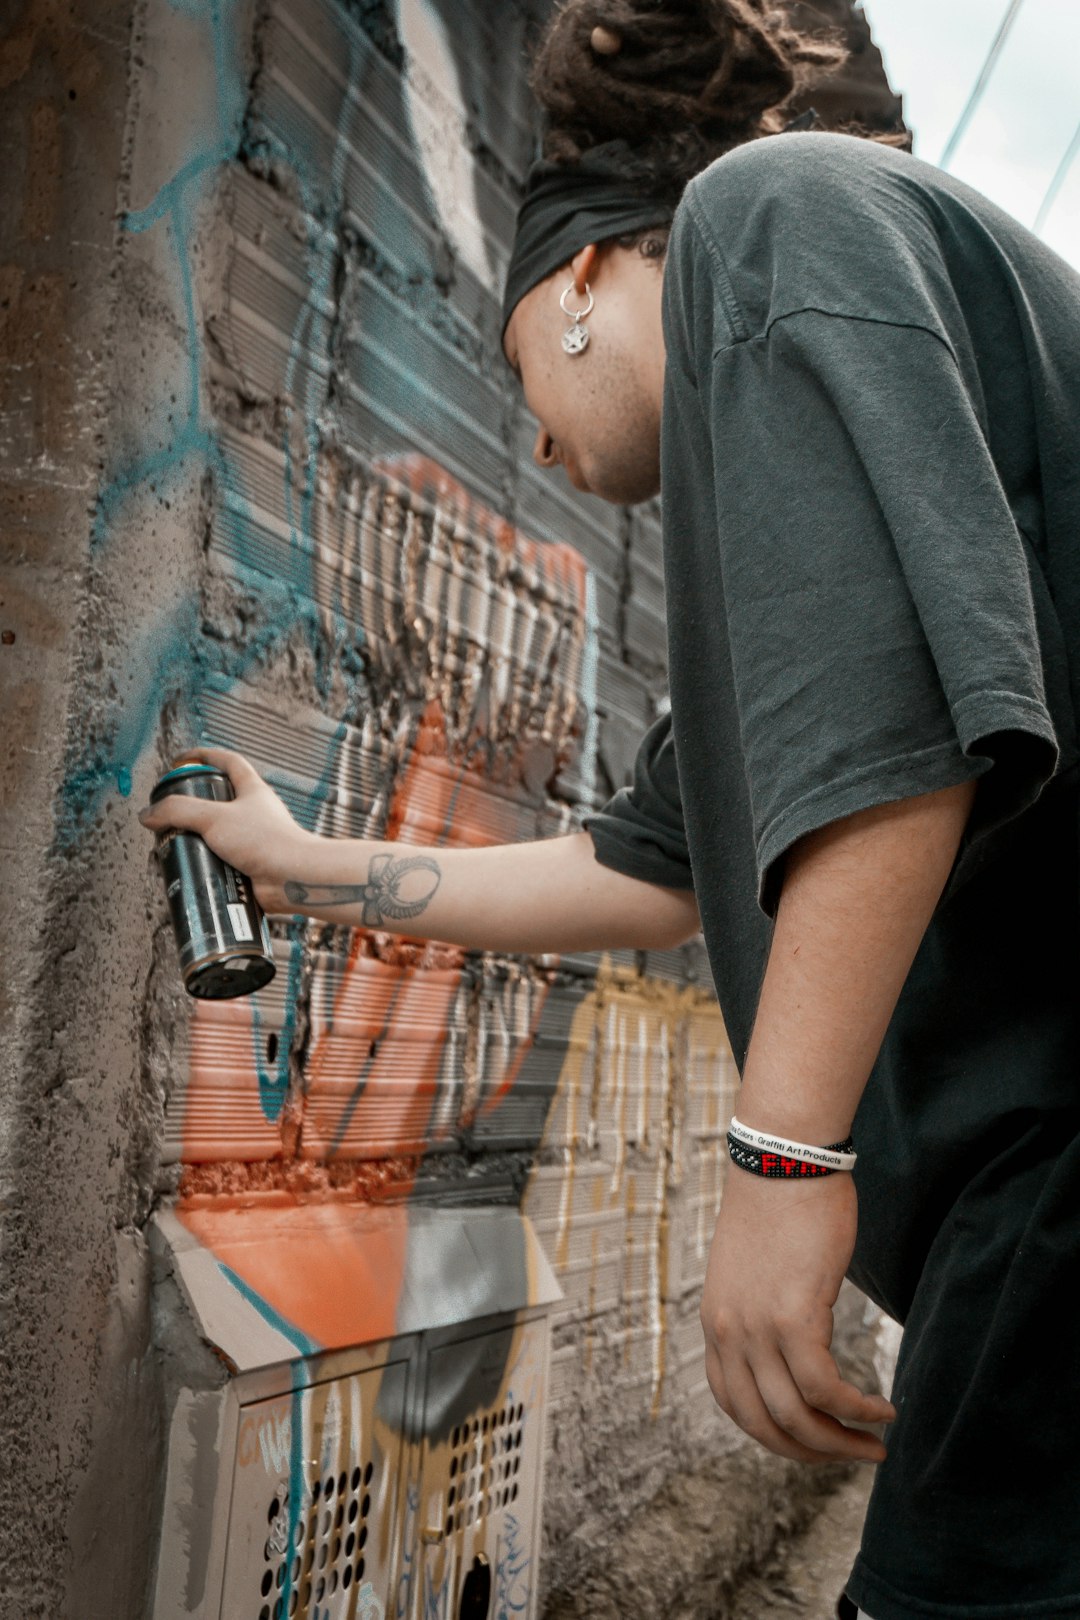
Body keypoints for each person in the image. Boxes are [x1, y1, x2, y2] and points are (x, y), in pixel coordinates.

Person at [139, 3, 1080, 1616]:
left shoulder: (772, 216)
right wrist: (307, 873)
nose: (533, 442)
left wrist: (783, 1166)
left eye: (516, 372)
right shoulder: (801, 418)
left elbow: (903, 737)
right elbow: (641, 871)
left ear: (577, 281)